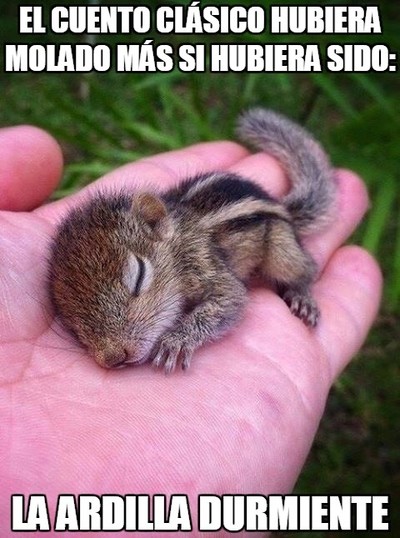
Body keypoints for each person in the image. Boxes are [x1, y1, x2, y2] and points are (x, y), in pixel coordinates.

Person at [0, 126, 381, 536]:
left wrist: (187, 333)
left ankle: (300, 284)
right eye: (80, 326)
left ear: (155, 223)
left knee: (286, 262)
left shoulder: (192, 253)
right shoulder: (121, 295)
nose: (110, 352)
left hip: (265, 231)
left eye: (137, 282)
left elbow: (230, 299)